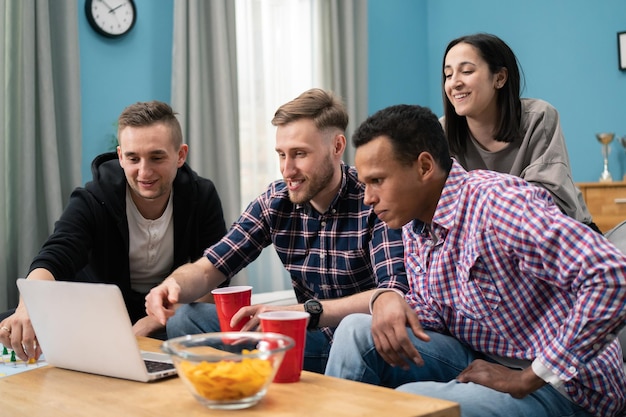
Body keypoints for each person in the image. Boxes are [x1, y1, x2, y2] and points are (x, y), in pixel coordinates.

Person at [324, 104, 626, 417]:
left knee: (411, 402)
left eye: (378, 181)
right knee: (356, 332)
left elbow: (612, 276)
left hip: (567, 388)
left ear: (424, 167)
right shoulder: (415, 225)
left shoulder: (499, 204)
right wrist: (392, 302)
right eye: (365, 184)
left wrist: (528, 377)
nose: (368, 198)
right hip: (485, 358)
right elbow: (437, 312)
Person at [145, 88, 408, 374]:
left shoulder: (372, 199)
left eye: (299, 154)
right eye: (281, 154)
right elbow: (210, 268)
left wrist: (300, 313)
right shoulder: (276, 202)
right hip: (308, 341)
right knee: (187, 319)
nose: (287, 169)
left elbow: (392, 290)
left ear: (337, 146)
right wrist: (172, 285)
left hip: (362, 342)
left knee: (353, 335)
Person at [0, 100, 227, 361]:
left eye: (157, 157)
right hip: (96, 315)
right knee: (9, 322)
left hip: (166, 316)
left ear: (180, 155)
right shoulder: (93, 198)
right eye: (133, 158)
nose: (145, 171)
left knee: (188, 326)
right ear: (120, 156)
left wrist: (153, 321)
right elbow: (56, 253)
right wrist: (29, 304)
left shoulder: (202, 195)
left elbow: (215, 275)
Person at [441, 33, 600, 233]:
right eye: (448, 74)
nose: (454, 83)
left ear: (499, 78)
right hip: (485, 247)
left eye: (466, 71)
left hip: (559, 235)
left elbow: (547, 202)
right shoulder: (440, 133)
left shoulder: (538, 117)